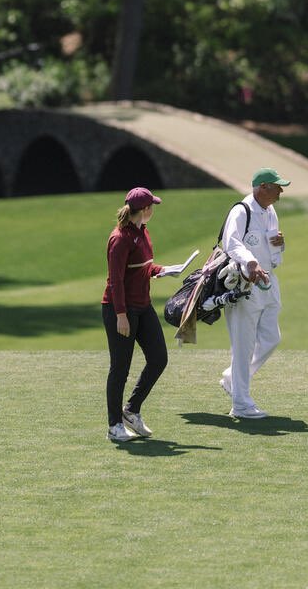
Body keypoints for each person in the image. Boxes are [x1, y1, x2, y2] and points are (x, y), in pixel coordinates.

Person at [219, 167, 291, 419]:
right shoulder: (242, 210)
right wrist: (250, 262)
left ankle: (232, 378)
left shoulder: (270, 211)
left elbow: (272, 250)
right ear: (262, 188)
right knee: (243, 344)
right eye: (277, 187)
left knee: (271, 338)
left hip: (269, 283)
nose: (281, 191)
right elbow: (232, 242)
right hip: (244, 285)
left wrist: (280, 247)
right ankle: (241, 404)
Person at [102, 186, 169, 442]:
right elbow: (115, 281)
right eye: (152, 206)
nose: (154, 210)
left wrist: (162, 270)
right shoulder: (119, 238)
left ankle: (131, 410)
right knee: (120, 368)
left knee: (158, 358)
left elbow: (143, 267)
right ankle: (114, 426)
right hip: (121, 309)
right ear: (145, 210)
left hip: (142, 305)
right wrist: (121, 315)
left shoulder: (143, 232)